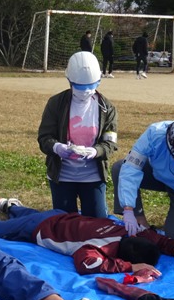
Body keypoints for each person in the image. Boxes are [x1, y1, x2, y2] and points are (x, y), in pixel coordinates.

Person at [0, 198, 174, 275]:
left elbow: (156, 238)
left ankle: (10, 205)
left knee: (29, 215)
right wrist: (129, 266)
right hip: (42, 228)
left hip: (60, 216)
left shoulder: (127, 231)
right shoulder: (101, 248)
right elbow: (86, 264)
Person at [112, 115, 174, 254]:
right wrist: (128, 209)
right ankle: (140, 221)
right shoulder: (154, 133)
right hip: (156, 174)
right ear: (170, 138)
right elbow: (131, 168)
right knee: (120, 167)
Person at [38, 51, 118, 218]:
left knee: (97, 224)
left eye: (91, 86)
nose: (86, 91)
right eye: (80, 87)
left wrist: (96, 151)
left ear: (99, 81)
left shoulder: (107, 108)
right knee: (65, 224)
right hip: (63, 176)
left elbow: (110, 143)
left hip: (92, 176)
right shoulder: (56, 104)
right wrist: (57, 147)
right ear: (69, 81)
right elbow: (44, 138)